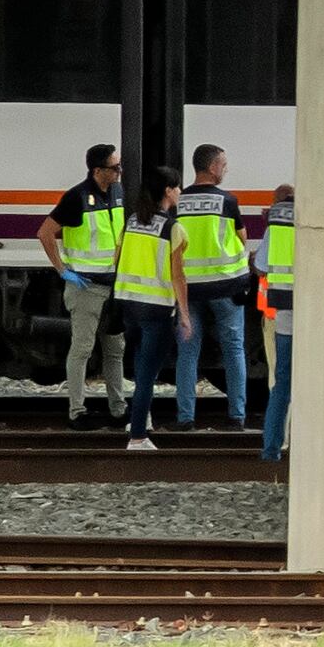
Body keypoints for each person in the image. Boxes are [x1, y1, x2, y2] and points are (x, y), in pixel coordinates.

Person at [36, 142, 126, 430]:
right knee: (82, 349)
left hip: (113, 284)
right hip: (86, 285)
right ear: (98, 170)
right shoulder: (76, 197)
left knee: (115, 349)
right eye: (115, 168)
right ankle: (77, 410)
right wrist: (63, 271)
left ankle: (118, 408)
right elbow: (45, 233)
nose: (120, 172)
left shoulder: (118, 193)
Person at [169, 142, 251, 433]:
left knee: (187, 353)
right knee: (233, 349)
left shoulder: (179, 202)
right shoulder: (227, 201)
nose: (225, 170)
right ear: (213, 167)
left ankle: (186, 418)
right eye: (224, 165)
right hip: (225, 288)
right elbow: (242, 238)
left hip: (189, 290)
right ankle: (236, 417)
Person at [114, 167, 194, 451]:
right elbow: (178, 276)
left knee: (138, 366)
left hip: (128, 303)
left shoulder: (132, 221)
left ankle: (138, 418)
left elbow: (117, 258)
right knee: (148, 374)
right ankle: (137, 436)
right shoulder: (173, 229)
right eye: (178, 187)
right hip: (156, 309)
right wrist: (185, 315)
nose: (180, 192)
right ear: (168, 191)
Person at [258, 183, 298, 463]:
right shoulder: (317, 218)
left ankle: (271, 451)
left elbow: (261, 266)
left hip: (284, 314)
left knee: (282, 384)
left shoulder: (276, 224)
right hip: (320, 313)